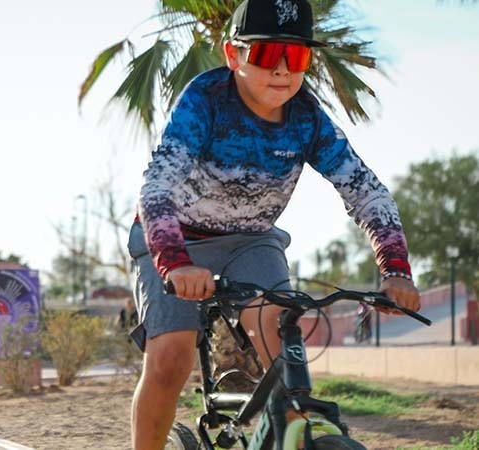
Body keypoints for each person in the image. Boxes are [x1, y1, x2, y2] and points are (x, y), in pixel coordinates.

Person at [127, 0, 421, 448]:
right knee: (169, 359)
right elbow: (157, 189)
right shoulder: (206, 100)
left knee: (282, 336)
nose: (283, 69)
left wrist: (396, 269)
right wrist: (175, 263)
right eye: (266, 54)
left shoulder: (306, 117)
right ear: (233, 55)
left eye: (298, 56)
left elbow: (366, 191)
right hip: (176, 239)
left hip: (252, 240)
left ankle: (294, 429)